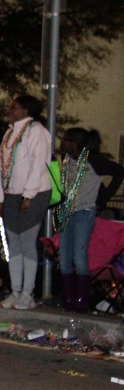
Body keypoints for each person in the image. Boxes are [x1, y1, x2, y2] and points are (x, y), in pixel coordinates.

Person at [0, 96, 52, 310]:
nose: (9, 110)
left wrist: (28, 195)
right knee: (13, 244)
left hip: (34, 194)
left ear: (26, 110)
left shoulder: (36, 131)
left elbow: (39, 164)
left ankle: (28, 293)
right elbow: (2, 166)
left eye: (14, 107)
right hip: (12, 194)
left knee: (26, 242)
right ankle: (16, 290)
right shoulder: (10, 133)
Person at [55, 128, 124, 312]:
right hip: (67, 212)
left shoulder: (92, 160)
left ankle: (82, 301)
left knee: (79, 256)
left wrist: (102, 199)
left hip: (84, 213)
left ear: (75, 142)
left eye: (65, 139)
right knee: (64, 256)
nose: (62, 142)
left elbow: (119, 172)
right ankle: (69, 300)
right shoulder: (68, 159)